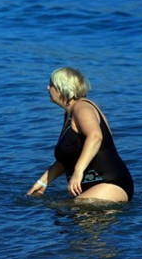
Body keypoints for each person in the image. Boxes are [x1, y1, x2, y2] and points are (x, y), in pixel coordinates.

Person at [27, 67, 133, 202]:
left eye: (52, 84)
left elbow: (95, 137)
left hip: (110, 183)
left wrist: (78, 171)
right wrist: (42, 182)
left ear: (63, 88)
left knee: (67, 209)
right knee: (61, 214)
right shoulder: (69, 114)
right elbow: (66, 159)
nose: (48, 88)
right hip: (93, 185)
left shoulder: (82, 107)